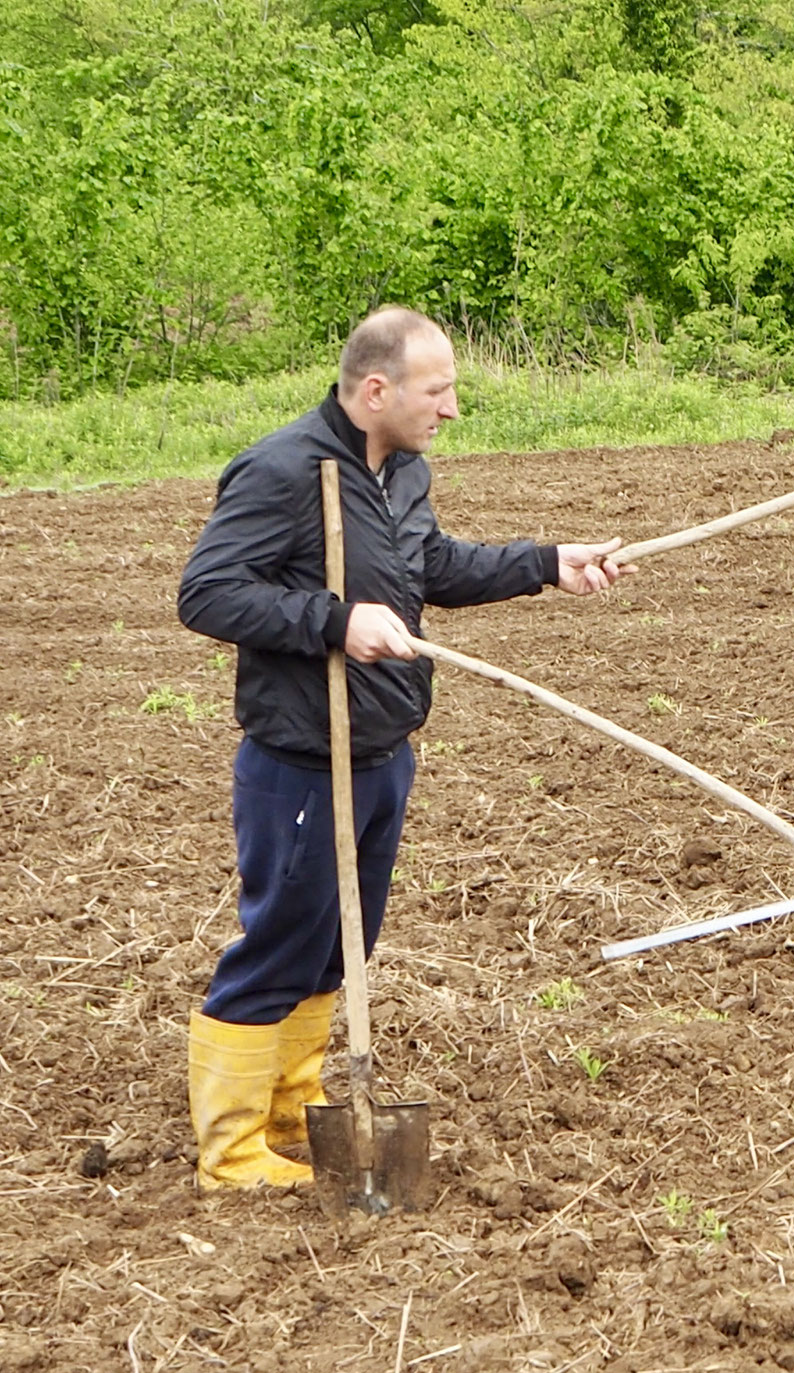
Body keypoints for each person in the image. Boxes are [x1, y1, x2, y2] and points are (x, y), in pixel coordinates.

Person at [177, 306, 635, 1190]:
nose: (453, 408)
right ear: (377, 390)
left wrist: (548, 562)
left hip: (385, 749)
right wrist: (336, 622)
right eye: (440, 389)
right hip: (304, 762)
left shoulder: (404, 473)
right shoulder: (283, 472)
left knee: (333, 950)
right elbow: (207, 594)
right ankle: (231, 1153)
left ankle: (291, 1115)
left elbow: (434, 570)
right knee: (280, 943)